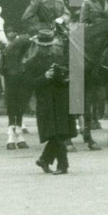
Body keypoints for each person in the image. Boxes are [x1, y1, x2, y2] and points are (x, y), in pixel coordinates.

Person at [30, 29, 76, 175]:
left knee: (61, 134)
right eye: (44, 46)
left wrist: (65, 78)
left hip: (60, 101)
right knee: (55, 135)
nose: (47, 49)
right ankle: (63, 165)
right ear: (38, 46)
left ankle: (44, 159)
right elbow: (29, 83)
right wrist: (44, 77)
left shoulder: (58, 58)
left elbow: (64, 79)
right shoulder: (32, 62)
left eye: (49, 46)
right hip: (46, 102)